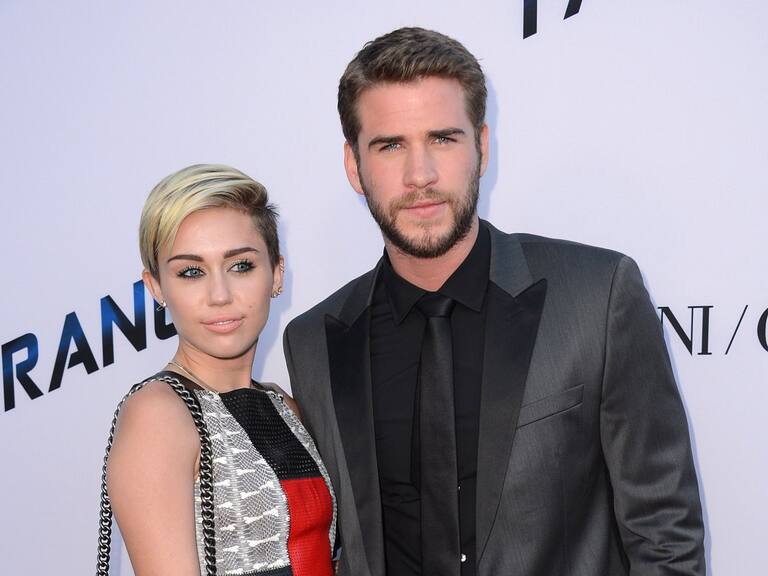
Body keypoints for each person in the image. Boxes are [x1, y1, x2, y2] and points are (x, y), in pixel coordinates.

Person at [283, 27, 705, 576]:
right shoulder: (314, 340)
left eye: (443, 139)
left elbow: (664, 533)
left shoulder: (598, 296)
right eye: (390, 146)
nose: (420, 175)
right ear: (353, 165)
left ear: (482, 147)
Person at [98, 164, 336, 576]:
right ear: (156, 287)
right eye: (191, 272)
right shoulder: (159, 414)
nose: (220, 295)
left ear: (277, 273)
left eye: (241, 265)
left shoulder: (283, 406)